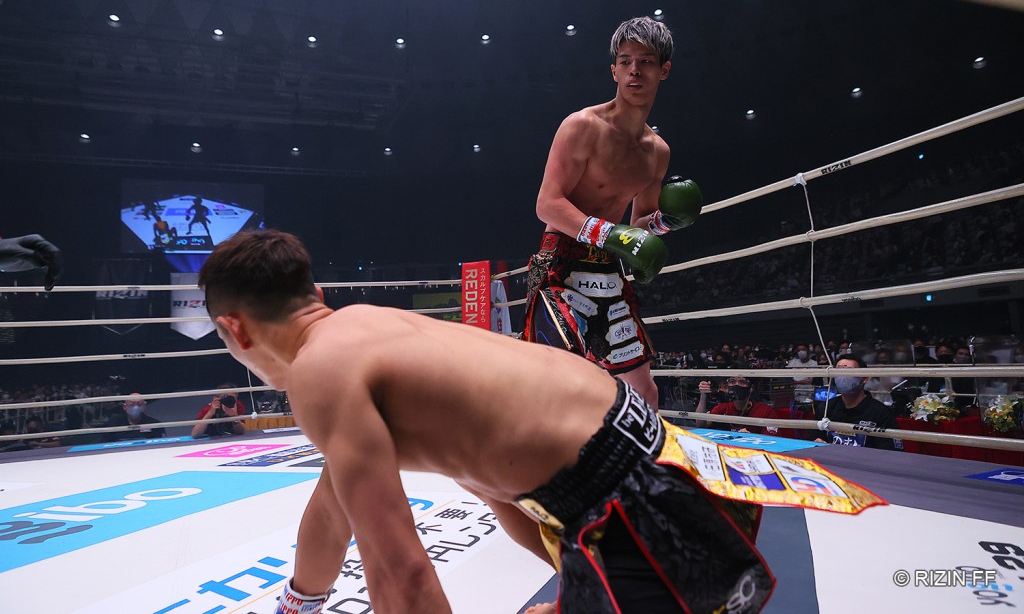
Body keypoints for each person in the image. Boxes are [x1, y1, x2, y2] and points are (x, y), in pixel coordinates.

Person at [196, 230, 878, 614]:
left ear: (236, 330)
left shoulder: (320, 372)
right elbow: (332, 509)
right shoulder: (368, 328)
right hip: (655, 465)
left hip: (631, 514)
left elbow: (401, 572)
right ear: (314, 295)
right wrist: (299, 604)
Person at [524, 16, 703, 409]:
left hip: (607, 268)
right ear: (614, 71)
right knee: (561, 382)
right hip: (560, 263)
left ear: (664, 70)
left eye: (646, 61)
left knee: (644, 392)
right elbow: (547, 203)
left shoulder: (657, 151)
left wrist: (666, 223)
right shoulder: (582, 126)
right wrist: (611, 233)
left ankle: (634, 450)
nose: (634, 70)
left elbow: (640, 224)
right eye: (625, 61)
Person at [813, 356, 901, 451]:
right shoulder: (825, 408)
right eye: (839, 371)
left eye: (849, 371)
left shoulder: (881, 414)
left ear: (864, 378)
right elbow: (813, 440)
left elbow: (890, 452)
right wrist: (817, 443)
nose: (843, 377)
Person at [694, 374, 778, 435]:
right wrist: (703, 395)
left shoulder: (766, 412)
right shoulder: (722, 408)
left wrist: (752, 438)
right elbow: (701, 424)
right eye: (732, 381)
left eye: (742, 382)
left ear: (751, 388)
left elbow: (774, 441)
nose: (737, 385)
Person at [101, 393, 167, 442]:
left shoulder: (155, 425)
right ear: (125, 407)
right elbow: (104, 445)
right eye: (131, 404)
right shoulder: (113, 424)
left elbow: (161, 445)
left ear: (144, 406)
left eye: (139, 404)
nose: (136, 407)